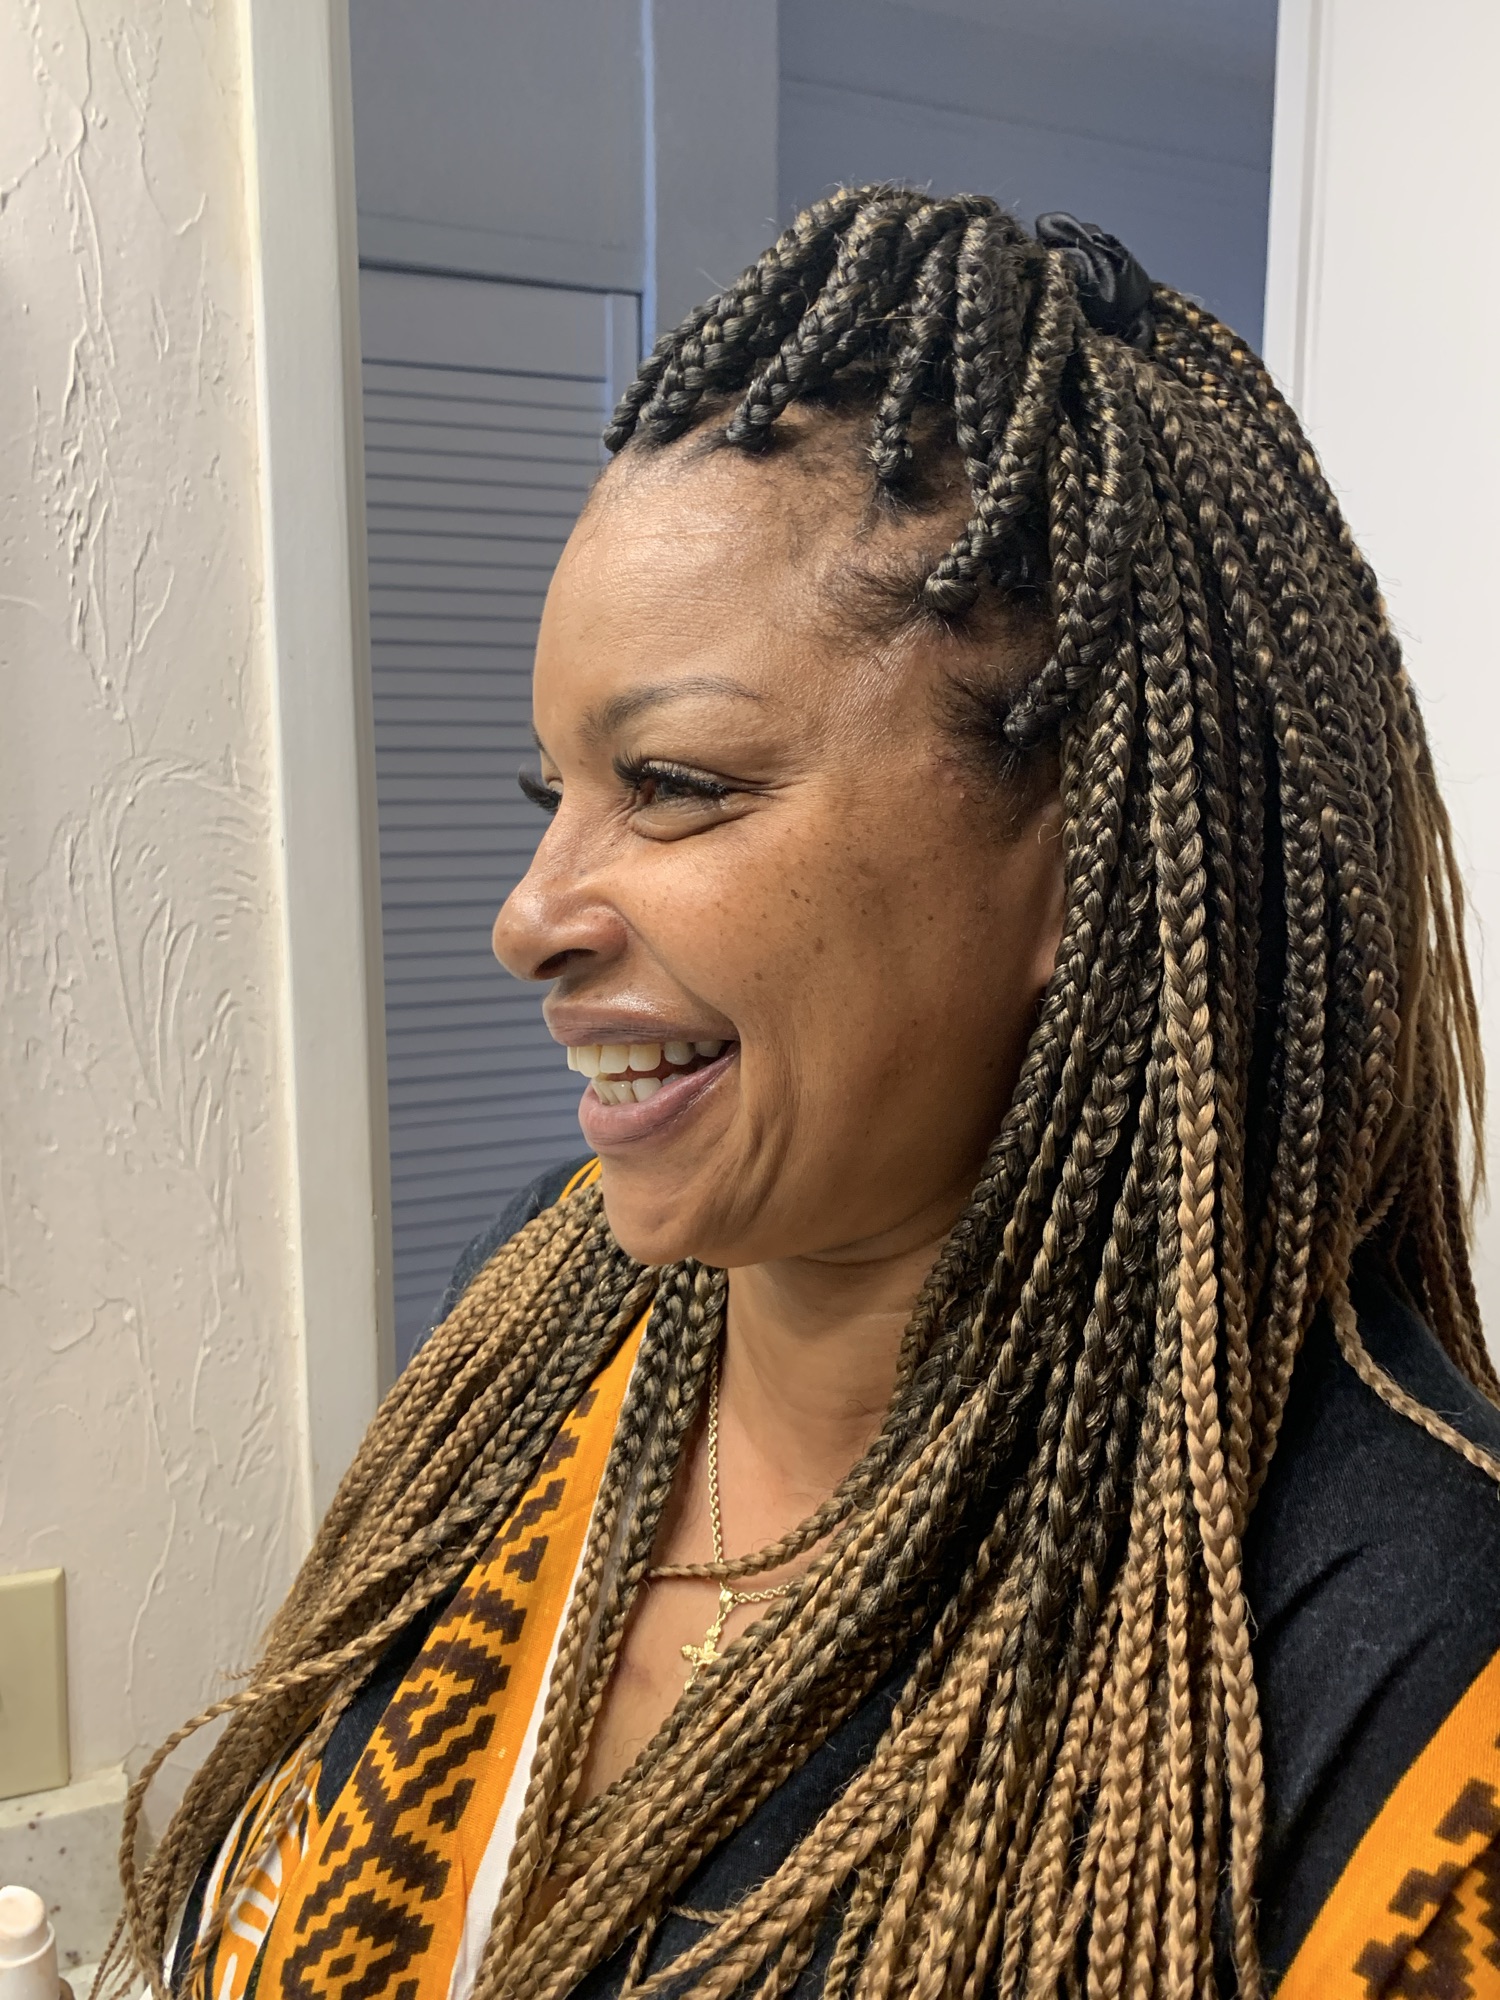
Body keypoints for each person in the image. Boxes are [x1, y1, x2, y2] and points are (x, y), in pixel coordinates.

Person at [103, 188, 1500, 2000]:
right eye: (554, 794)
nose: (529, 916)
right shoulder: (547, 1311)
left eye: (676, 784)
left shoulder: (1399, 1647)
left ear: (1090, 858)